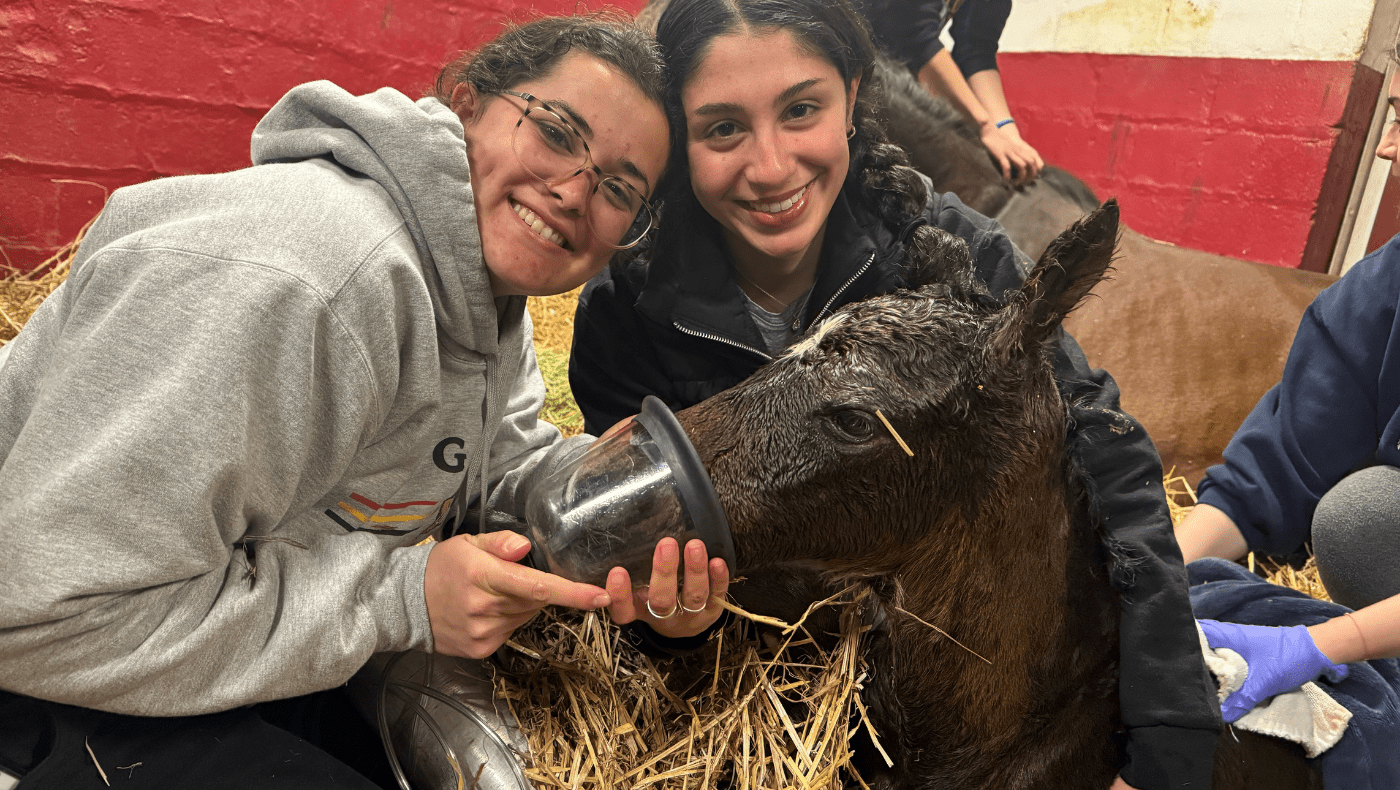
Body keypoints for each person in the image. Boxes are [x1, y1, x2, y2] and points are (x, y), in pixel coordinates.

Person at [0, 14, 726, 789]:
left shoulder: (486, 292)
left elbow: (495, 460)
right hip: (53, 672)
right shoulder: (305, 288)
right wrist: (404, 600)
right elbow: (40, 618)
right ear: (465, 103)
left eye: (619, 187)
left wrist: (609, 500)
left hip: (201, 634)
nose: (575, 191)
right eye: (555, 131)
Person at [568, 0, 1220, 786]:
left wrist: (1170, 737)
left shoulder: (955, 254)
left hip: (940, 675)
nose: (771, 167)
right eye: (723, 128)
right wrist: (675, 627)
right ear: (681, 138)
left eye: (801, 109)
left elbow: (1105, 455)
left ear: (852, 98)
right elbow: (637, 541)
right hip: (760, 699)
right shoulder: (624, 311)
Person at [1176, 63, 1400, 723]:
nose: (1386, 145)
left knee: (1361, 519)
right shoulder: (1386, 283)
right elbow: (1281, 460)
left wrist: (1317, 645)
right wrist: (1158, 576)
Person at [857, 0, 1043, 185]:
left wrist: (1006, 133)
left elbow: (976, 50)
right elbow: (914, 38)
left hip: (887, 79)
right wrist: (984, 127)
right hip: (846, 73)